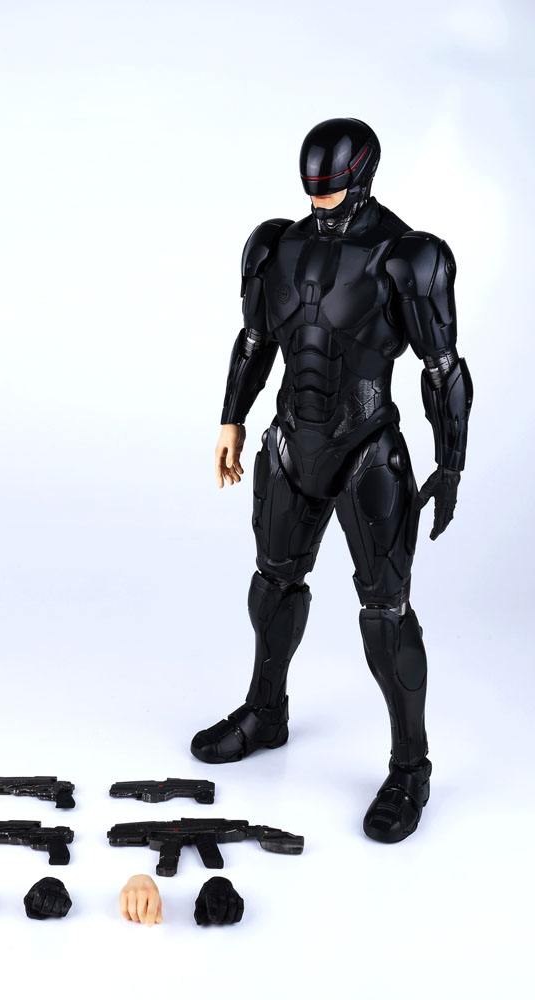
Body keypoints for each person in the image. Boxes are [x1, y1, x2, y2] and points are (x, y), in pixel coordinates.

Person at [190, 118, 473, 843]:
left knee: (385, 613)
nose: (320, 203)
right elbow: (256, 339)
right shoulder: (276, 245)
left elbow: (443, 368)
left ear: (363, 176)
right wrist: (231, 420)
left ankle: (410, 767)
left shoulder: (407, 256)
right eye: (312, 191)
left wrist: (450, 463)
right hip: (291, 441)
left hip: (366, 446)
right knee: (272, 584)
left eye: (333, 190)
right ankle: (266, 712)